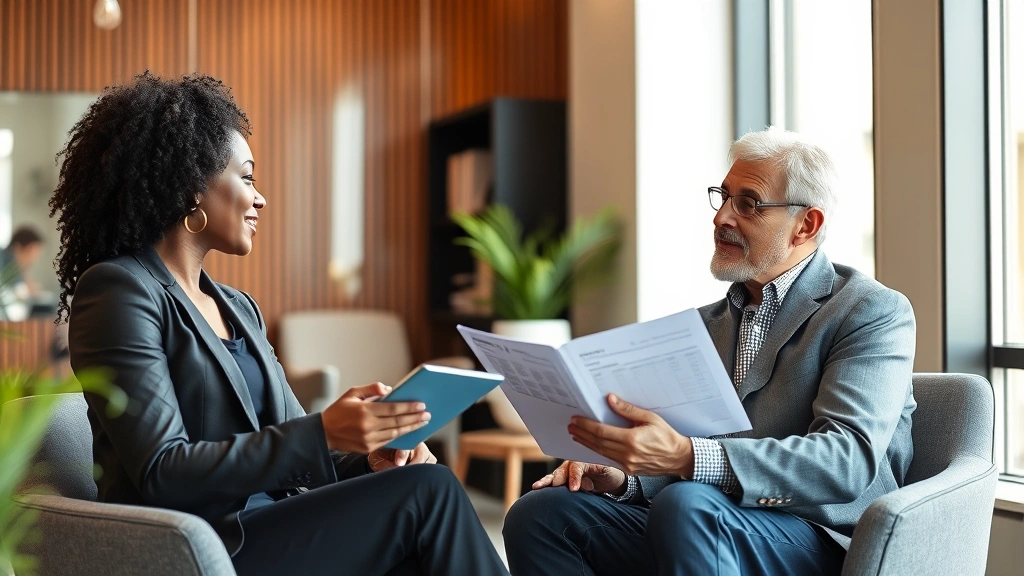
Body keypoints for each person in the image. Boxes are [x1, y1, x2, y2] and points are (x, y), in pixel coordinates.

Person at [51, 72, 508, 576]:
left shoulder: (238, 308)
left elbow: (293, 441)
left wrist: (369, 456)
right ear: (192, 185)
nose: (260, 198)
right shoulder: (118, 290)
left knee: (420, 496)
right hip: (202, 546)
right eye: (246, 177)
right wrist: (325, 431)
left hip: (273, 527)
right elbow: (162, 471)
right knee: (429, 495)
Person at [503, 127, 916, 575]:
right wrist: (627, 479)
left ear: (806, 225)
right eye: (723, 197)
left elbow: (846, 461)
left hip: (817, 535)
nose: (721, 217)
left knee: (688, 504)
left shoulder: (870, 310)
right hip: (702, 517)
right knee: (542, 514)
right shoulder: (705, 323)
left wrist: (684, 456)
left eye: (748, 204)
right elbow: (690, 449)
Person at [0, 225, 44, 320]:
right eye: (32, 251)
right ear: (18, 247)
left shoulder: (15, 267)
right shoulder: (5, 261)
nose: (33, 258)